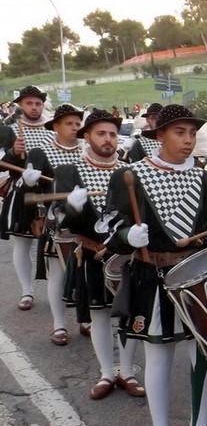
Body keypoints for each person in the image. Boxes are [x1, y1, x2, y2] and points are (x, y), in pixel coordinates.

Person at [103, 104, 207, 426]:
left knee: (204, 355)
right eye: (179, 133)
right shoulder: (130, 175)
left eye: (191, 133)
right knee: (158, 357)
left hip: (192, 279)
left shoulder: (206, 179)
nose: (188, 141)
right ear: (159, 135)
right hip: (150, 277)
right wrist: (126, 235)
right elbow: (109, 227)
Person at [55, 109, 146, 399]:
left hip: (127, 256)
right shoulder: (69, 172)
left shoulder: (132, 170)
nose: (108, 139)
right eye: (101, 133)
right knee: (99, 314)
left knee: (130, 314)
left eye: (112, 134)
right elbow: (57, 219)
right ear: (87, 136)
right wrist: (72, 207)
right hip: (91, 253)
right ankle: (107, 373)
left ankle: (127, 371)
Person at [28, 104, 86, 345]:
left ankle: (86, 319)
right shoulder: (43, 152)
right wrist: (29, 181)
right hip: (58, 222)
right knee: (58, 276)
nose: (74, 128)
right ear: (56, 127)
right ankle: (59, 325)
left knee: (86, 276)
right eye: (69, 124)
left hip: (85, 223)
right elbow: (33, 188)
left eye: (77, 124)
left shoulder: (87, 150)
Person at [1, 85, 53, 312]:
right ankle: (26, 291)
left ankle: (59, 288)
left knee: (54, 244)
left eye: (38, 103)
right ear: (20, 105)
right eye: (29, 103)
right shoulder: (10, 129)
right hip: (22, 191)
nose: (34, 107)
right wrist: (13, 151)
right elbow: (4, 162)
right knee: (22, 244)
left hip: (50, 192)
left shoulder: (53, 128)